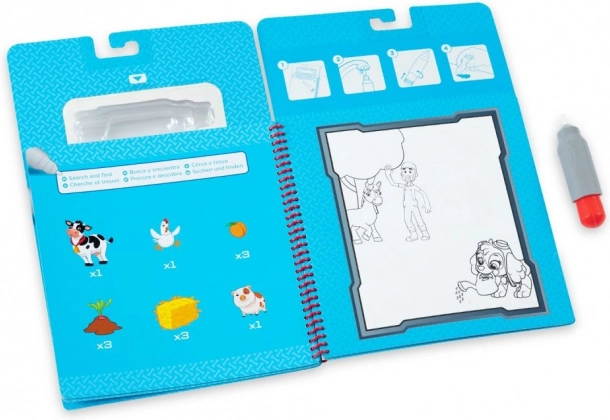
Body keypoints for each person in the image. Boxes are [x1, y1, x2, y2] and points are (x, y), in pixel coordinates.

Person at [384, 162, 431, 241]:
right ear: (401, 174)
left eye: (410, 172)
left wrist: (427, 204)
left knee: (419, 220)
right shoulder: (404, 186)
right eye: (405, 172)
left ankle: (425, 233)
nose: (407, 174)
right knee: (407, 221)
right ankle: (414, 235)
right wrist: (387, 174)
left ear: (415, 175)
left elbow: (423, 193)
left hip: (414, 206)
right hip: (406, 206)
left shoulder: (414, 187)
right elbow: (393, 183)